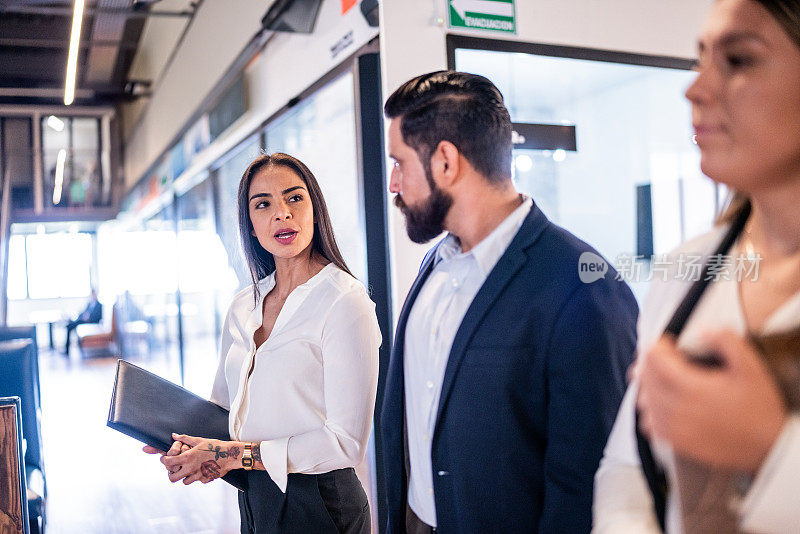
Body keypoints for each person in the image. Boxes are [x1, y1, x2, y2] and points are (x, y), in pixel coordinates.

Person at [380, 71, 639, 533]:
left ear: (445, 162)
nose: (394, 183)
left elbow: (587, 485)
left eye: (399, 163)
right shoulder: (433, 267)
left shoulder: (585, 286)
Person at [594, 1, 800, 532]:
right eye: (700, 59)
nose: (694, 89)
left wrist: (772, 451)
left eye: (738, 60)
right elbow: (627, 467)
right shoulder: (688, 268)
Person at [144, 153, 381, 534]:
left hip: (320, 500)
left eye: (294, 198)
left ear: (315, 211)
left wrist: (232, 456)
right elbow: (224, 407)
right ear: (251, 226)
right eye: (263, 204)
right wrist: (174, 435)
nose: (282, 214)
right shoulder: (244, 304)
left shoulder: (345, 301)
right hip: (255, 492)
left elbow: (346, 443)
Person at [64, 288, 102, 355]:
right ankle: (66, 350)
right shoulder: (89, 304)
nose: (93, 296)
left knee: (71, 326)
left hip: (91, 322)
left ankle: (66, 350)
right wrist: (82, 316)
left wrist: (88, 318)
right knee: (71, 324)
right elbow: (83, 312)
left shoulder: (99, 305)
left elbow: (98, 318)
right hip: (84, 320)